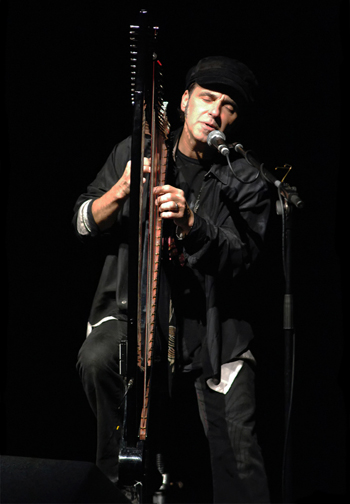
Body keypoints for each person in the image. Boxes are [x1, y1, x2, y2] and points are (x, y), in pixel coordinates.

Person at [73, 55, 271, 503]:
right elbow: (82, 220)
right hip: (139, 319)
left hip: (213, 334)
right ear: (184, 100)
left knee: (240, 463)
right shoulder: (134, 151)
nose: (215, 112)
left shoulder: (245, 179)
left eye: (228, 106)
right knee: (100, 358)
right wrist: (120, 191)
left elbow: (242, 258)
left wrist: (192, 223)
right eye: (207, 98)